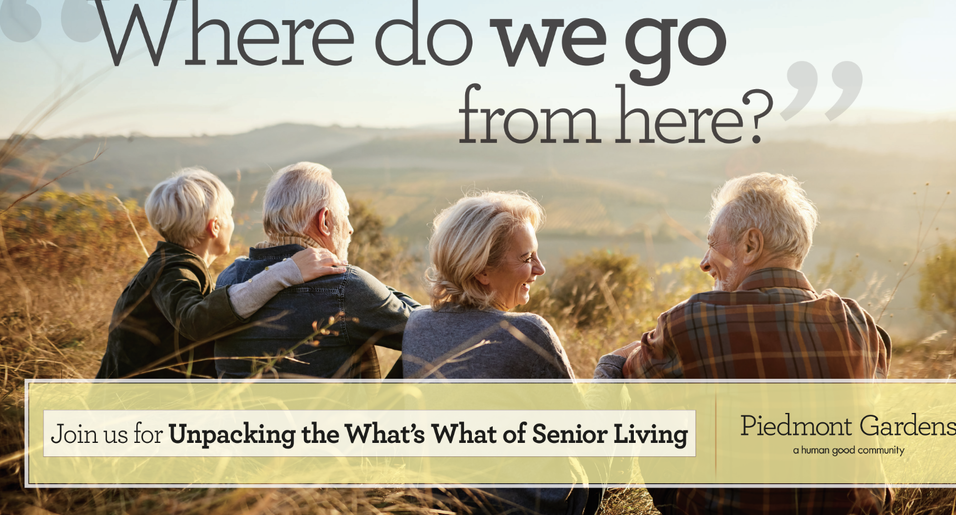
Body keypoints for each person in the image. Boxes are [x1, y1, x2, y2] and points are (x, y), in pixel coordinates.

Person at [601, 172, 892, 514]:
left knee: (625, 381)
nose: (704, 262)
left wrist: (612, 361)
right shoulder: (859, 323)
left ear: (751, 245)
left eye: (713, 243)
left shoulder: (692, 323)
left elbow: (629, 377)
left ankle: (600, 494)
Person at [403, 190, 599, 515]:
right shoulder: (527, 331)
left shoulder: (418, 323)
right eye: (526, 258)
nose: (540, 269)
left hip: (437, 505)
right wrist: (612, 369)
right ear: (482, 270)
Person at [97, 168, 344, 379]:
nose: (232, 222)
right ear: (215, 226)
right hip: (129, 409)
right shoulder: (171, 270)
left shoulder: (173, 265)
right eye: (229, 215)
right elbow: (195, 321)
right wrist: (284, 272)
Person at [214, 162, 419, 379]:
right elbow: (431, 330)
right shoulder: (345, 287)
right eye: (345, 215)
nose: (350, 229)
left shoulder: (228, 278)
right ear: (325, 222)